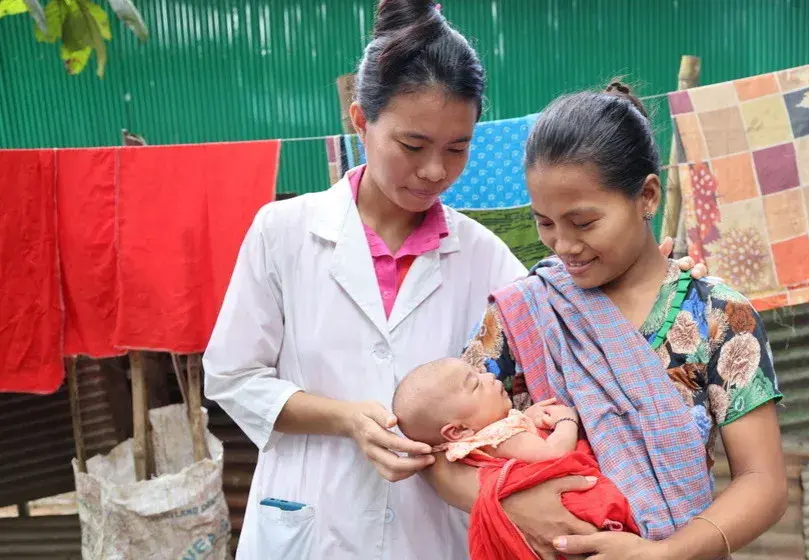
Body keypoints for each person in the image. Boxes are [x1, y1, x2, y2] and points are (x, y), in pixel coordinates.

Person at [203, 1, 702, 558]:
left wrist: (654, 278)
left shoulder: (484, 254)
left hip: (432, 532)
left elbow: (568, 315)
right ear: (361, 121)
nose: (436, 170)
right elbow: (231, 376)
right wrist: (346, 420)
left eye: (457, 147)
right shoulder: (283, 232)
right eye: (413, 146)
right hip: (311, 525)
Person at [424, 83, 788, 560]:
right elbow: (438, 450)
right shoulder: (525, 313)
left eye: (584, 222)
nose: (563, 246)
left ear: (648, 196)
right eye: (545, 223)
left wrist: (664, 553)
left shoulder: (718, 316)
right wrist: (520, 502)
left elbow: (763, 482)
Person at [392, 358, 639, 559]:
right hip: (572, 505)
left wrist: (526, 417)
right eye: (475, 385)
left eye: (479, 372)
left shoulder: (469, 442)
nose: (489, 377)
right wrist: (567, 421)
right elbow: (553, 454)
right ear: (457, 431)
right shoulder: (502, 437)